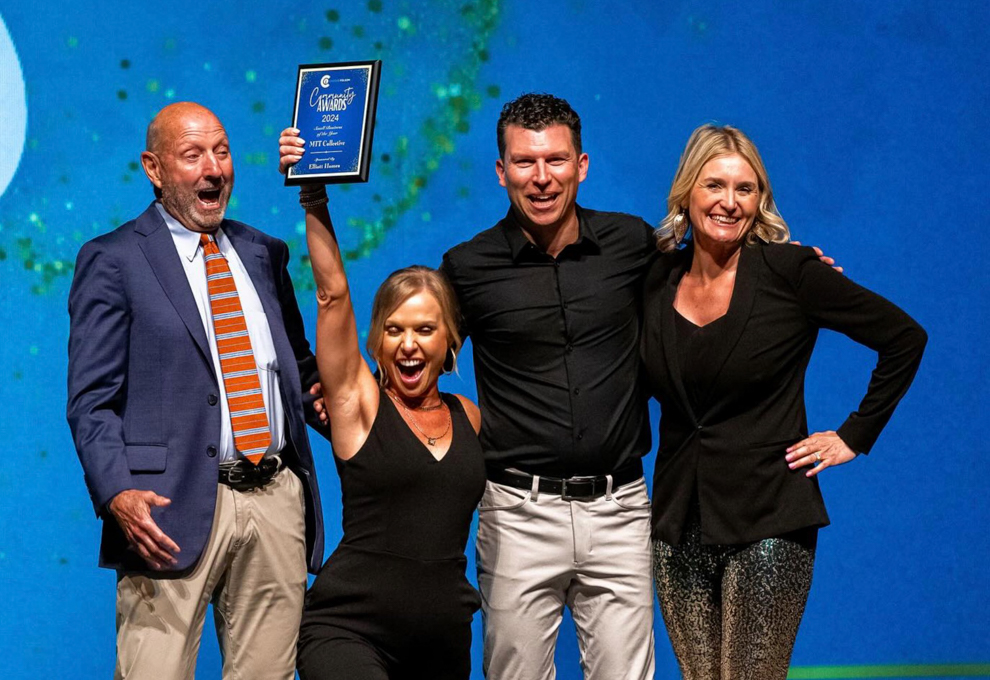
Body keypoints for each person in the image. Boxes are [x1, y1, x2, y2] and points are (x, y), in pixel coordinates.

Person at [641, 124, 927, 679]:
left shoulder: (789, 271)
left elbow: (903, 338)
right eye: (714, 185)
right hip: (678, 523)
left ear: (760, 200)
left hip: (769, 518)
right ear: (686, 192)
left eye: (745, 189)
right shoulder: (656, 279)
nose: (729, 202)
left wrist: (854, 435)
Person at [67, 102, 328, 680]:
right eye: (192, 155)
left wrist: (357, 410)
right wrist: (117, 492)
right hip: (167, 509)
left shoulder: (264, 253)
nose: (213, 169)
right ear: (153, 168)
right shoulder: (113, 260)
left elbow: (299, 369)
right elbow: (91, 401)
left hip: (274, 500)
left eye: (222, 152)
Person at [440, 93, 658, 680]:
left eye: (556, 160)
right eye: (525, 162)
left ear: (581, 165)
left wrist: (789, 271)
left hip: (620, 512)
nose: (542, 178)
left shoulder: (633, 244)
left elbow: (712, 288)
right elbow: (409, 350)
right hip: (517, 514)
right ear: (501, 170)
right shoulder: (467, 267)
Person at [278, 130, 486, 680]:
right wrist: (313, 194)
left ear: (449, 341)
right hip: (349, 631)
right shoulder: (358, 406)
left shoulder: (469, 417)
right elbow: (332, 295)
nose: (408, 344)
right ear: (376, 340)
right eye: (394, 330)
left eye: (424, 329)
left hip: (444, 642)